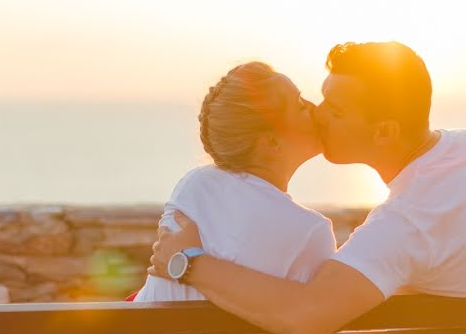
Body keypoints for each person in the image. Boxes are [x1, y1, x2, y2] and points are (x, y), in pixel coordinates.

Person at [149, 41, 466, 334]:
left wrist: (190, 262)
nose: (319, 114)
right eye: (322, 98)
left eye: (337, 111)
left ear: (385, 131)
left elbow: (307, 317)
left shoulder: (404, 225)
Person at [134, 60, 336, 315]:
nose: (314, 108)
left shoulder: (194, 185)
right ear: (271, 141)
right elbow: (311, 320)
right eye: (299, 105)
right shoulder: (310, 231)